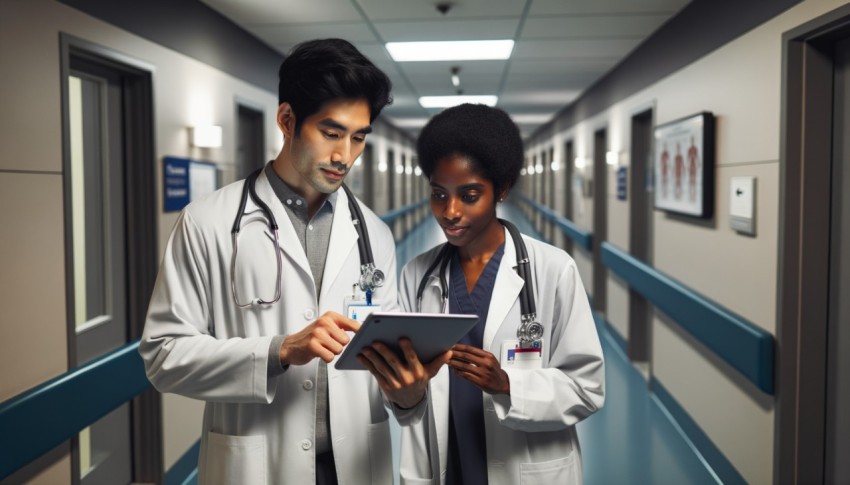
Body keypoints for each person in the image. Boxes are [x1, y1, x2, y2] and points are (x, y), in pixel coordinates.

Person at [140, 38, 441, 485]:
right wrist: (280, 350)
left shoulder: (373, 234)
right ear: (287, 120)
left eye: (358, 137)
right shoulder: (208, 222)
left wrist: (408, 393)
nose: (345, 156)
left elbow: (380, 361)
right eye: (331, 132)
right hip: (257, 465)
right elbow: (163, 356)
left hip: (355, 464)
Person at [396, 104, 605, 484]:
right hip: (447, 464)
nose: (450, 211)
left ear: (502, 189)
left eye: (470, 194)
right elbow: (407, 403)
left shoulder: (554, 270)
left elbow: (586, 388)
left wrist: (508, 384)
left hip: (524, 468)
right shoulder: (417, 275)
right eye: (439, 195)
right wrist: (404, 390)